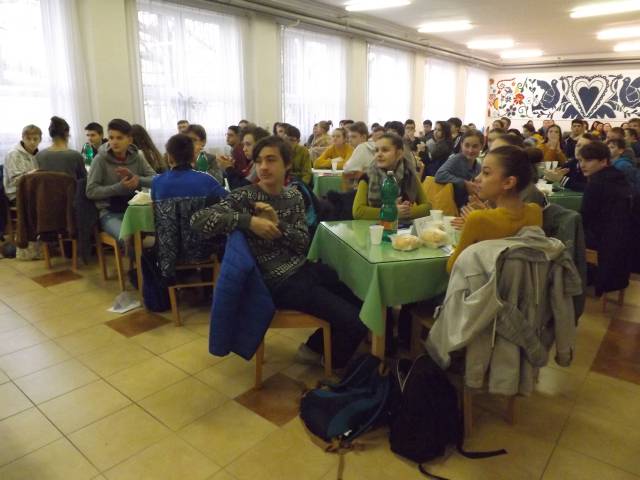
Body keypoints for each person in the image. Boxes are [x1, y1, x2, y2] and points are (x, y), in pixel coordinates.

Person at [190, 135, 367, 368]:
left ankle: (314, 349)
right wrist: (249, 221)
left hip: (301, 270)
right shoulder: (245, 196)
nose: (263, 167)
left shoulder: (293, 196)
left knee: (363, 304)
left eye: (271, 160)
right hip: (275, 282)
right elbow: (198, 220)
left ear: (287, 164)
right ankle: (333, 366)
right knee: (355, 321)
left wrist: (278, 225)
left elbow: (302, 243)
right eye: (259, 161)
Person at [447, 145, 543, 272]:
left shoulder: (478, 219)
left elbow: (452, 267)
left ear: (508, 182)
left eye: (486, 173)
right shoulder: (535, 211)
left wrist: (468, 229)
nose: (477, 178)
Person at [86, 118, 156, 240]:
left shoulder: (138, 157)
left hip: (136, 211)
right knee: (127, 237)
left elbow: (156, 179)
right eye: (111, 138)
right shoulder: (100, 160)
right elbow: (91, 191)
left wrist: (138, 179)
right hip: (110, 213)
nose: (114, 142)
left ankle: (146, 253)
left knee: (163, 231)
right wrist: (118, 188)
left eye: (119, 138)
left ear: (129, 140)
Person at [579, 141, 633, 294]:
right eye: (581, 160)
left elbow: (585, 217)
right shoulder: (618, 177)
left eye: (588, 160)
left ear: (603, 161)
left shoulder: (596, 183)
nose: (582, 165)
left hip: (604, 241)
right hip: (622, 238)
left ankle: (574, 281)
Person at [352, 133, 430, 220]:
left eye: (385, 150)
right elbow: (358, 211)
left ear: (399, 154)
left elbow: (427, 207)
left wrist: (407, 211)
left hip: (402, 227)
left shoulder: (409, 175)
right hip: (373, 227)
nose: (379, 154)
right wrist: (390, 212)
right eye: (376, 150)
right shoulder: (368, 176)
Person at [151, 134, 227, 202]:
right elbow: (229, 200)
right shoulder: (207, 180)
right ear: (193, 156)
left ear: (170, 157)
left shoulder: (156, 182)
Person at [434, 130, 483, 207]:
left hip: (467, 205)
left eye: (475, 146)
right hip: (451, 205)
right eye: (467, 145)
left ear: (481, 147)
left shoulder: (478, 166)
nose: (470, 150)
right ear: (461, 145)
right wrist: (464, 183)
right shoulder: (456, 159)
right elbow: (439, 175)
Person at [34, 116, 86, 181]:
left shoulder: (39, 155)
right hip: (69, 188)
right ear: (66, 133)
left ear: (51, 134)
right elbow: (83, 180)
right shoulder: (76, 156)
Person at [3, 125, 41, 203]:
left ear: (40, 140)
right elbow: (14, 181)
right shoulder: (13, 154)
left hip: (32, 191)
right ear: (23, 138)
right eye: (28, 138)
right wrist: (31, 174)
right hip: (15, 194)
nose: (32, 142)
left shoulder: (38, 154)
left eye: (35, 139)